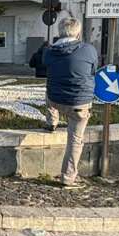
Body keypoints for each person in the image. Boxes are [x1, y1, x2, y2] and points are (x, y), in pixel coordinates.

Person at [41, 18, 97, 188]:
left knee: (48, 90)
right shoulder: (88, 50)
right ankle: (68, 177)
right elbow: (93, 70)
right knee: (75, 140)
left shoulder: (49, 51)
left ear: (59, 32)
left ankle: (51, 122)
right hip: (78, 103)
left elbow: (44, 65)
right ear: (78, 32)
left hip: (55, 99)